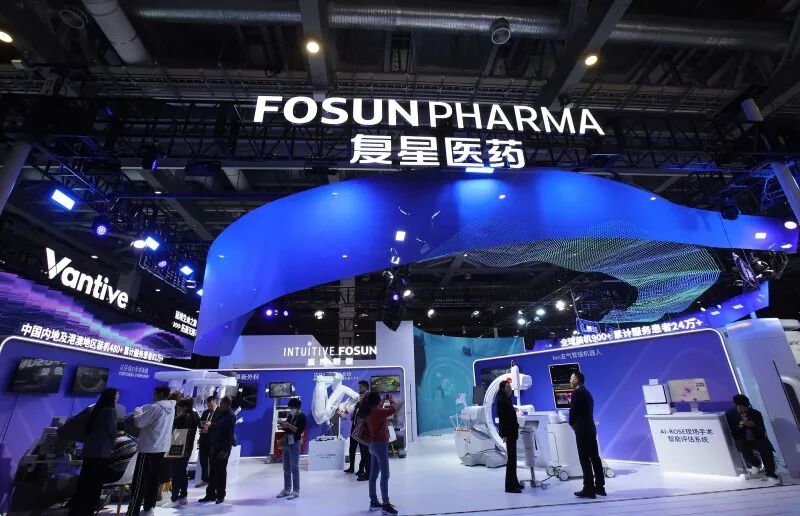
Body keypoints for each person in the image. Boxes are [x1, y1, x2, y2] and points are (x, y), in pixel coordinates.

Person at [69, 388, 119, 516]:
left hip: (89, 451)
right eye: (117, 396)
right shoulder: (110, 411)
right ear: (112, 398)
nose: (118, 398)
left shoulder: (96, 410)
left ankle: (77, 508)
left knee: (84, 480)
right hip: (102, 452)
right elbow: (112, 431)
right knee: (95, 483)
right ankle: (89, 509)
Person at [126, 386, 176, 516]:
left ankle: (133, 511)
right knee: (154, 480)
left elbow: (140, 423)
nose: (153, 395)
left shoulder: (156, 407)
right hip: (161, 449)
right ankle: (148, 509)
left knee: (140, 482)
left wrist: (137, 412)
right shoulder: (171, 408)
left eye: (155, 393)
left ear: (160, 394)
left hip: (148, 448)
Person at [725, 394, 780, 483]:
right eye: (740, 408)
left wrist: (753, 425)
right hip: (742, 439)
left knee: (766, 448)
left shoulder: (756, 413)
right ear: (737, 406)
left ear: (748, 406)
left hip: (758, 437)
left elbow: (762, 431)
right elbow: (732, 431)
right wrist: (740, 426)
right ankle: (755, 463)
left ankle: (771, 474)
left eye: (745, 408)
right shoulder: (730, 414)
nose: (743, 410)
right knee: (741, 446)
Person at [569, 371, 605, 499]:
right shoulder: (587, 393)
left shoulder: (577, 393)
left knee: (584, 459)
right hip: (590, 428)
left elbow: (573, 411)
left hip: (582, 429)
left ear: (577, 380)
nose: (570, 380)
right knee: (595, 457)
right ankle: (600, 487)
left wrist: (571, 423)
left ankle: (588, 489)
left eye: (571, 378)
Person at [363, 391, 398, 515]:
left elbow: (379, 409)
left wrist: (383, 400)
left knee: (373, 475)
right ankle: (386, 504)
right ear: (377, 401)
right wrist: (391, 399)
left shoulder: (369, 411)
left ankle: (373, 502)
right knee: (385, 475)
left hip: (372, 445)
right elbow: (393, 409)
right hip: (381, 445)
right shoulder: (378, 412)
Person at [199, 396, 236, 504]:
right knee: (212, 472)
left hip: (223, 448)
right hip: (214, 446)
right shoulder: (220, 413)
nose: (220, 405)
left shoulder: (231, 416)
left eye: (222, 403)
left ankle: (220, 495)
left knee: (221, 472)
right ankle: (210, 495)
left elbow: (230, 435)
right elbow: (216, 426)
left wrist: (226, 450)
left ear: (227, 404)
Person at [163, 399, 200, 507]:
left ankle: (174, 499)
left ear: (184, 407)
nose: (179, 409)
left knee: (175, 474)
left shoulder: (183, 417)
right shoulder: (195, 416)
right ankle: (183, 496)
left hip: (178, 448)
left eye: (180, 407)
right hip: (188, 449)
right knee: (182, 473)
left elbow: (169, 424)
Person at [276, 397, 307, 500]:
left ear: (297, 407)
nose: (290, 409)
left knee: (294, 467)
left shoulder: (302, 417)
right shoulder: (290, 415)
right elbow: (287, 429)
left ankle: (296, 490)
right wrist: (283, 424)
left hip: (295, 442)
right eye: (290, 408)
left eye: (292, 408)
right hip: (287, 441)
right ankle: (287, 489)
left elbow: (299, 431)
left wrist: (289, 426)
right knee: (286, 467)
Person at [496, 380, 523, 494]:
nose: (510, 388)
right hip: (509, 433)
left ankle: (515, 482)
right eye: (507, 386)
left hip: (513, 432)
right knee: (511, 460)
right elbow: (502, 419)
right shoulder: (501, 401)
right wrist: (504, 435)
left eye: (510, 386)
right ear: (503, 389)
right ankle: (509, 486)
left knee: (513, 459)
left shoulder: (508, 399)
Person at [345, 380, 371, 481]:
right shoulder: (359, 400)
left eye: (361, 387)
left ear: (365, 387)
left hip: (362, 429)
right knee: (352, 448)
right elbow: (356, 413)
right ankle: (352, 467)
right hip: (355, 428)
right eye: (359, 387)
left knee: (364, 451)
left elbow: (365, 413)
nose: (359, 389)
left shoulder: (367, 398)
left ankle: (362, 469)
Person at [196, 396, 218, 488]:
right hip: (204, 439)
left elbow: (221, 424)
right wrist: (201, 424)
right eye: (208, 405)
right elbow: (200, 424)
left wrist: (211, 424)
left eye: (211, 405)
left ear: (215, 402)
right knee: (203, 461)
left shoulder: (220, 412)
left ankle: (213, 482)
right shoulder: (205, 412)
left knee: (213, 462)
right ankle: (204, 480)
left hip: (213, 441)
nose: (209, 407)